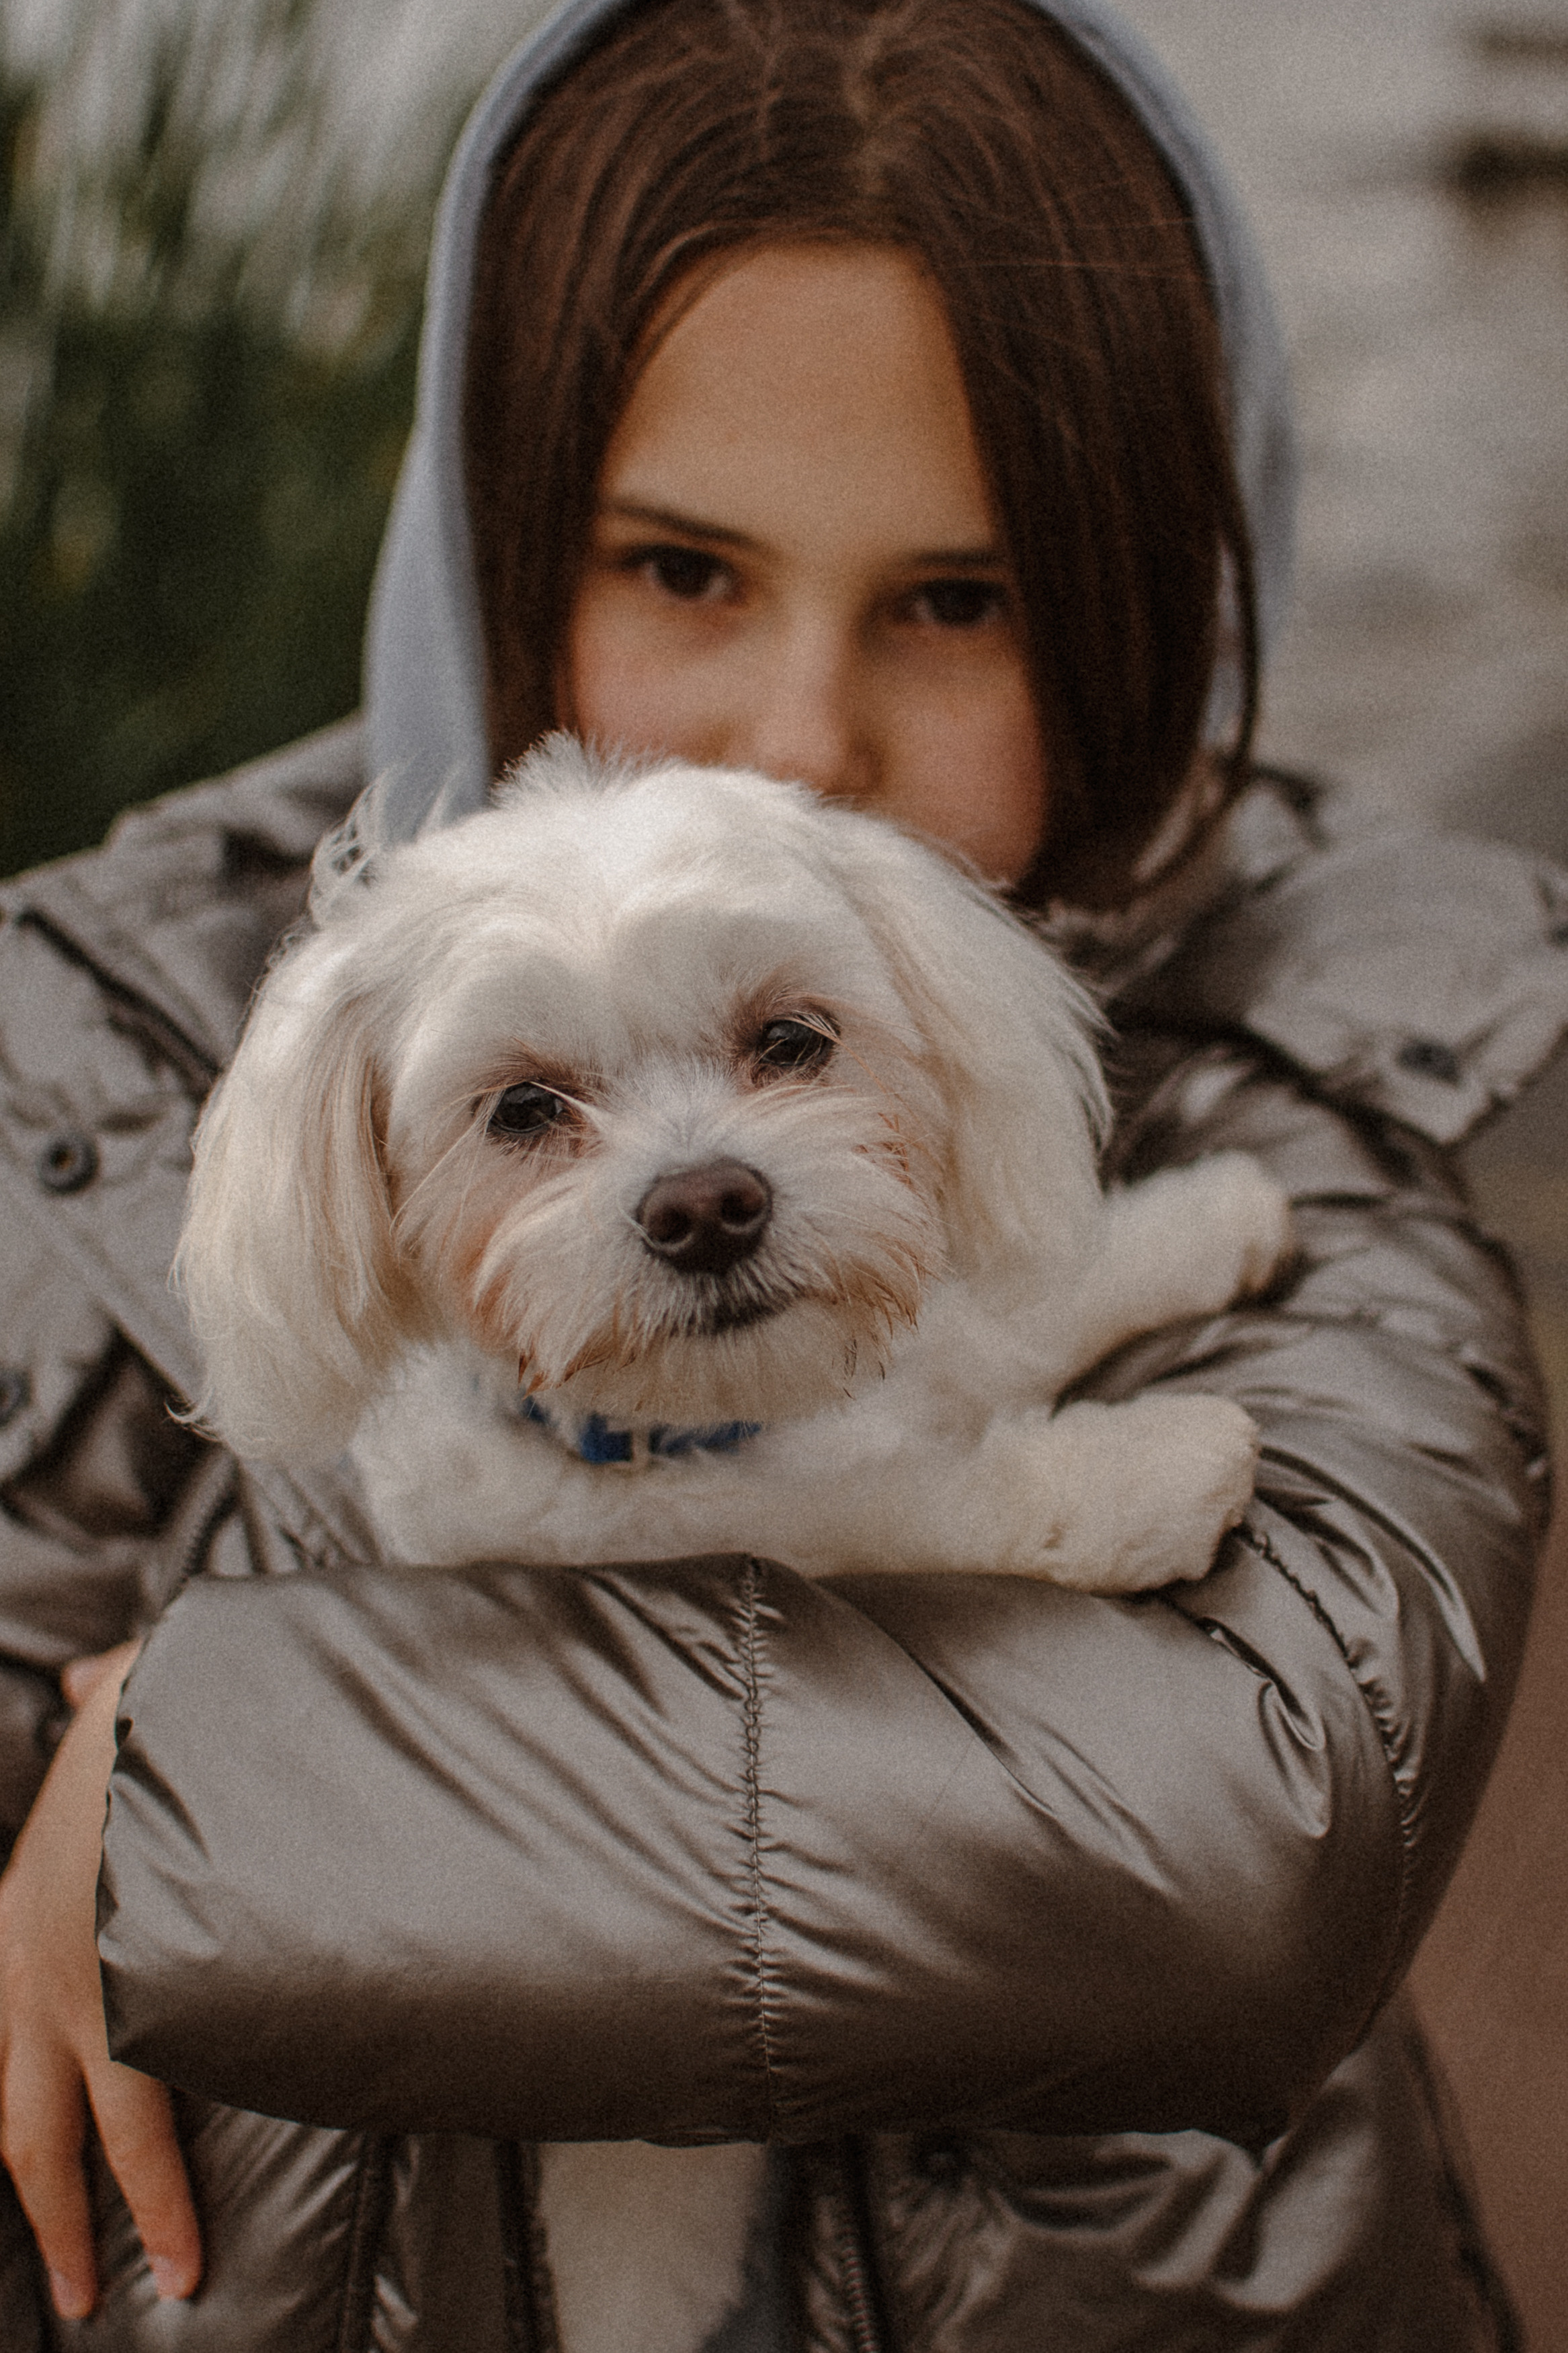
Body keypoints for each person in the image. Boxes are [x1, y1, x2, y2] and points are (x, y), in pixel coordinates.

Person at [0, 0, 1564, 2342]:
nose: (807, 738)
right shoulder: (80, 1035)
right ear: (495, 529)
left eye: (962, 598)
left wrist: (209, 1769)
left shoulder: (1325, 1056)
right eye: (683, 571)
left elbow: (1238, 1837)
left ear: (1157, 602)